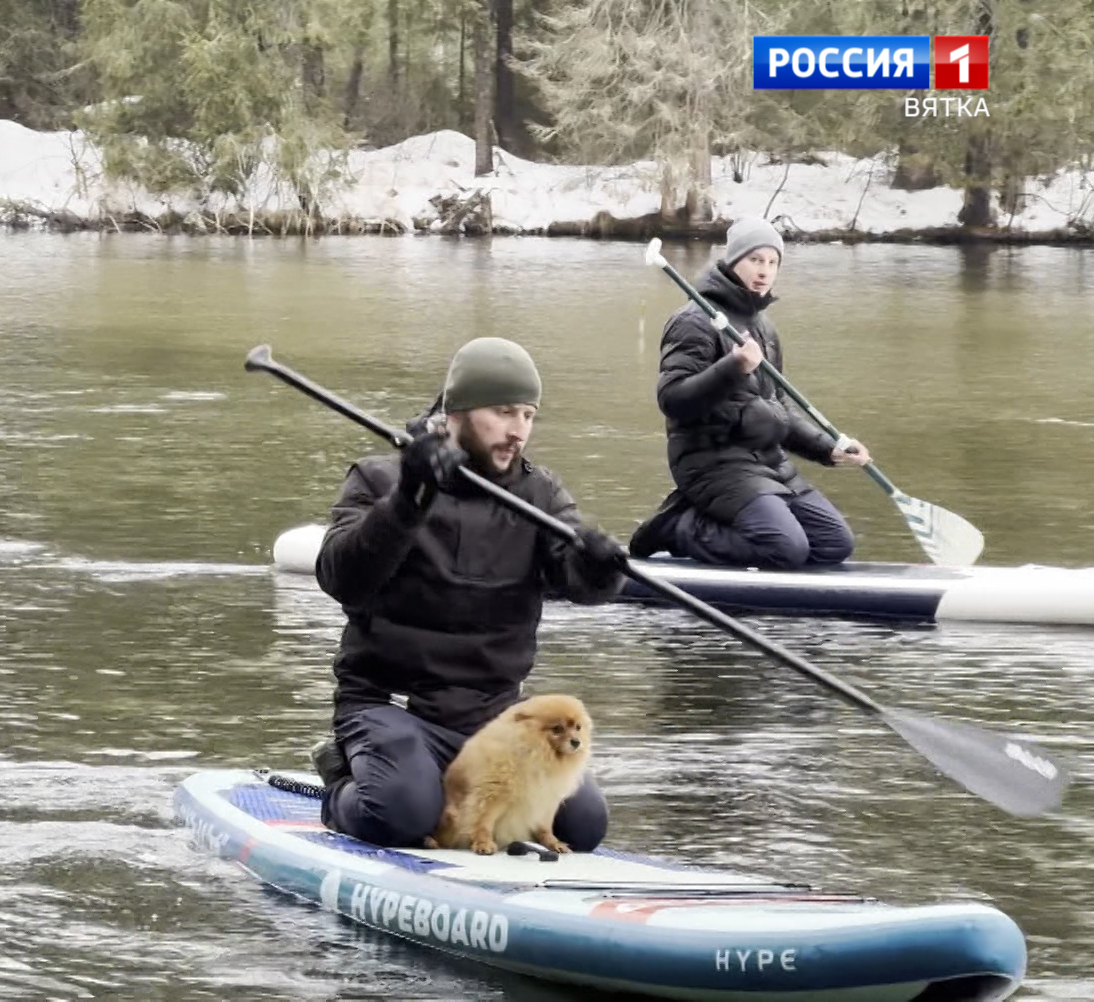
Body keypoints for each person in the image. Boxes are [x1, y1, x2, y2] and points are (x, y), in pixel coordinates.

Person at [309, 338, 630, 851]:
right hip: (391, 705)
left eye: (528, 415)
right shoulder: (380, 477)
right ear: (457, 410)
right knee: (403, 813)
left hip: (492, 715)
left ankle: (436, 789)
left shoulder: (539, 494)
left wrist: (599, 569)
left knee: (583, 825)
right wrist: (409, 500)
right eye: (503, 412)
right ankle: (342, 785)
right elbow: (342, 578)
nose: (517, 430)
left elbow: (580, 585)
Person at [626, 220, 870, 569]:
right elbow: (673, 400)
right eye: (756, 260)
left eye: (773, 263)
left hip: (769, 464)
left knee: (834, 545)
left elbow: (778, 405)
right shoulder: (693, 321)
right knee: (786, 548)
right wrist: (732, 367)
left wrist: (827, 447)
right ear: (734, 260)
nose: (764, 272)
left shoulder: (763, 328)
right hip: (711, 465)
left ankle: (748, 529)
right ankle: (678, 527)